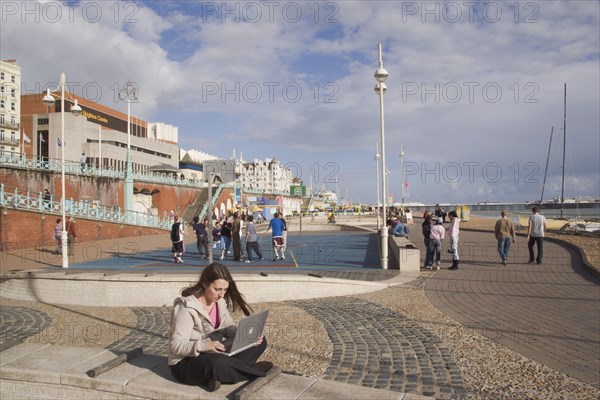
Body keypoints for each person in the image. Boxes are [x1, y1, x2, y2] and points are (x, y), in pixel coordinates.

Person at [168, 263, 272, 392]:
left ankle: (217, 377)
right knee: (217, 363)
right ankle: (250, 371)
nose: (222, 294)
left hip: (213, 352)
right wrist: (205, 346)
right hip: (186, 363)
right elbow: (176, 346)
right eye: (217, 289)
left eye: (224, 290)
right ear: (205, 283)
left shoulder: (220, 303)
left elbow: (229, 330)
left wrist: (248, 336)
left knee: (259, 343)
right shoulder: (186, 308)